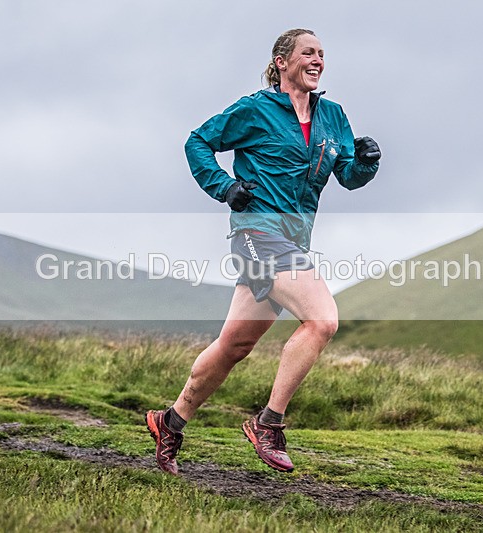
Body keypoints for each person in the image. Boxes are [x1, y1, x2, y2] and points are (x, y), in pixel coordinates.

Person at [146, 28, 381, 475]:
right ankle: (268, 423)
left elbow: (348, 175)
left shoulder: (332, 116)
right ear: (281, 61)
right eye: (308, 53)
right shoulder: (255, 109)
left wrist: (365, 161)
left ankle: (170, 422)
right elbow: (198, 141)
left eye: (322, 54)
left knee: (234, 345)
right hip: (257, 231)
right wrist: (225, 187)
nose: (318, 60)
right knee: (323, 319)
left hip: (295, 238)